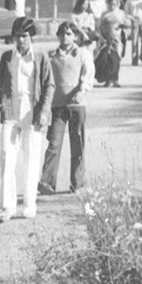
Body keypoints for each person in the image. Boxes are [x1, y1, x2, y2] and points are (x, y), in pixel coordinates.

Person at [0, 18, 54, 221]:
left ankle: (29, 204)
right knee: (6, 157)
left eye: (24, 36)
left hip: (32, 113)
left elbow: (48, 86)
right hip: (11, 112)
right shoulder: (8, 57)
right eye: (17, 36)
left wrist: (44, 111)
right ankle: (8, 206)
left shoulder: (40, 57)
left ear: (31, 36)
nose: (20, 40)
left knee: (31, 159)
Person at [38, 22, 95, 195]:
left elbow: (88, 74)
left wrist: (82, 90)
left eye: (69, 33)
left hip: (76, 104)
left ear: (75, 36)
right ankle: (47, 183)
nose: (65, 37)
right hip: (58, 106)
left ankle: (77, 183)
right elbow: (45, 78)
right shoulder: (51, 55)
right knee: (54, 143)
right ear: (58, 36)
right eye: (62, 34)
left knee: (77, 143)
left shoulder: (82, 54)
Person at [95, 3, 127, 87]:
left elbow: (126, 24)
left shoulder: (121, 13)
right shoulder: (104, 14)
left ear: (117, 3)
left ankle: (115, 80)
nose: (112, 5)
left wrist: (121, 26)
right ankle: (108, 80)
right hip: (106, 38)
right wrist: (101, 37)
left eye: (114, 3)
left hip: (117, 39)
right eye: (110, 3)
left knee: (117, 58)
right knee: (107, 58)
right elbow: (99, 26)